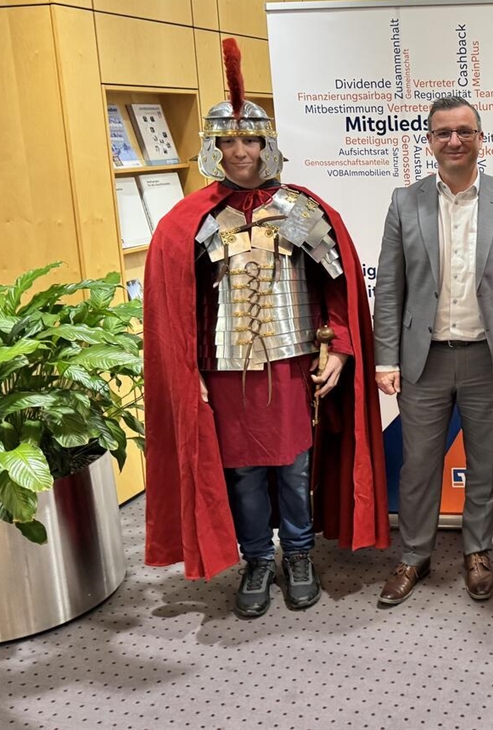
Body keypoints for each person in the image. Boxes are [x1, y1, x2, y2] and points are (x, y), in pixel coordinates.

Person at [144, 39, 389, 618]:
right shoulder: (193, 219)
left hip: (291, 360)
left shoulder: (300, 208)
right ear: (213, 148)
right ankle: (257, 559)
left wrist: (341, 348)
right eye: (227, 141)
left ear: (267, 144)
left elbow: (337, 287)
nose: (240, 152)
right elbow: (180, 304)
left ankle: (299, 554)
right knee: (244, 470)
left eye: (250, 140)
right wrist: (189, 370)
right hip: (225, 368)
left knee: (294, 464)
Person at [373, 95, 493, 605]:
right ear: (430, 141)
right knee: (418, 464)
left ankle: (477, 550)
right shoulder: (405, 201)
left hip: (491, 358)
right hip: (425, 359)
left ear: (480, 138)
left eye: (464, 131)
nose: (454, 141)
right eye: (443, 133)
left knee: (486, 462)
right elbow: (391, 287)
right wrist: (386, 357)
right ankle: (414, 554)